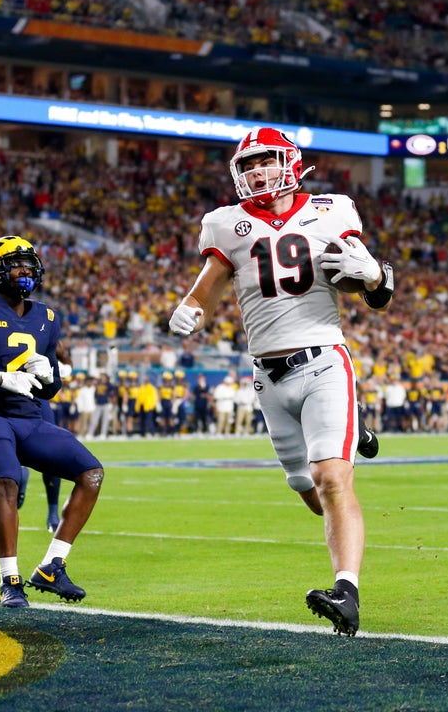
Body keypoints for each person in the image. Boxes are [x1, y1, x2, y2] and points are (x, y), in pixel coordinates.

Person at [169, 127, 393, 636]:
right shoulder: (225, 224)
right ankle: (353, 433)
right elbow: (205, 289)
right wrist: (190, 308)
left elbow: (374, 295)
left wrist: (376, 276)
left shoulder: (332, 210)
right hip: (266, 378)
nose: (255, 172)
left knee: (333, 480)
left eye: (265, 162)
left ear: (290, 162)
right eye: (247, 166)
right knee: (308, 489)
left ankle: (347, 592)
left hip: (322, 362)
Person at [0, 235, 105, 608]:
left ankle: (51, 566)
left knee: (92, 474)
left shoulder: (47, 316)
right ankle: (9, 580)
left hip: (31, 418)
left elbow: (52, 391)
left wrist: (48, 375)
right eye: (15, 264)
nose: (24, 270)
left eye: (29, 263)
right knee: (7, 486)